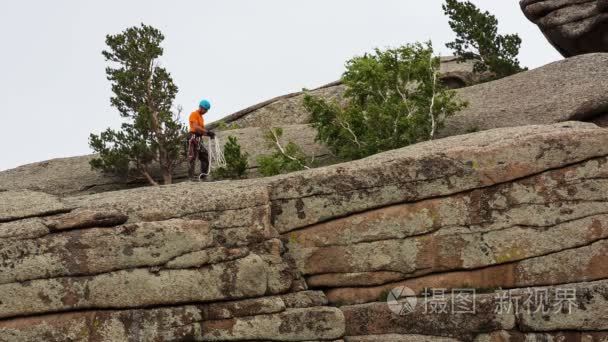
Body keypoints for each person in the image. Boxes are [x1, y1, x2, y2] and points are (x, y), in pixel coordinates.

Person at [188, 99, 216, 180]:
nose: (206, 112)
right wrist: (207, 131)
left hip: (199, 138)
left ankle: (203, 176)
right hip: (192, 137)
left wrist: (209, 134)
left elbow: (201, 130)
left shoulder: (201, 118)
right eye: (205, 110)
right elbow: (196, 127)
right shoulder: (194, 114)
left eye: (207, 110)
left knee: (204, 155)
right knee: (192, 156)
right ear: (201, 107)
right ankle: (191, 177)